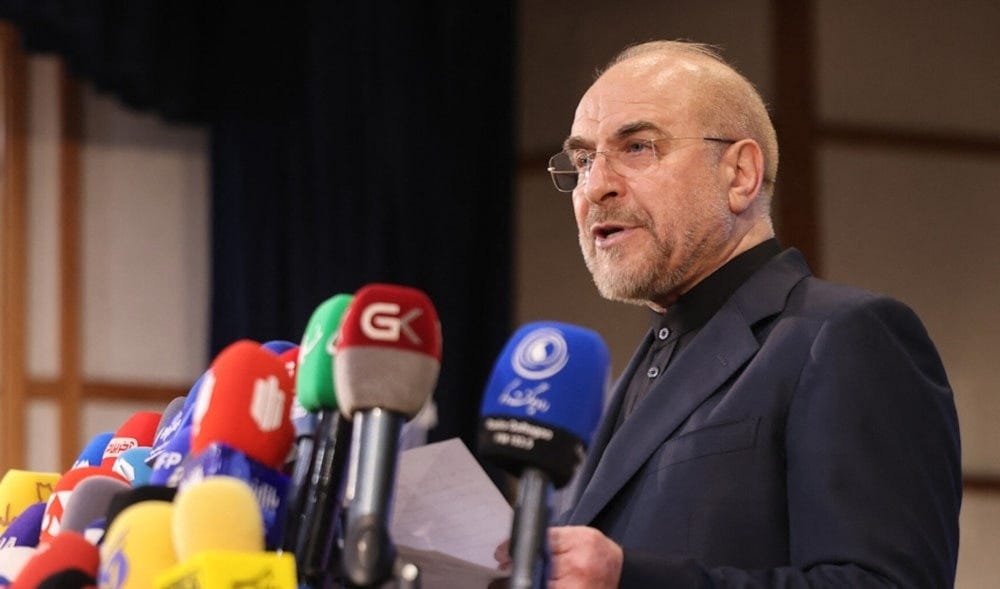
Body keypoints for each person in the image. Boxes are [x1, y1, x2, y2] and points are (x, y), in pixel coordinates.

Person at [496, 40, 961, 587]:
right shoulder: (622, 384)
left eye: (639, 147)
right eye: (583, 159)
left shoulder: (846, 336)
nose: (596, 186)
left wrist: (630, 579)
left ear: (739, 174)